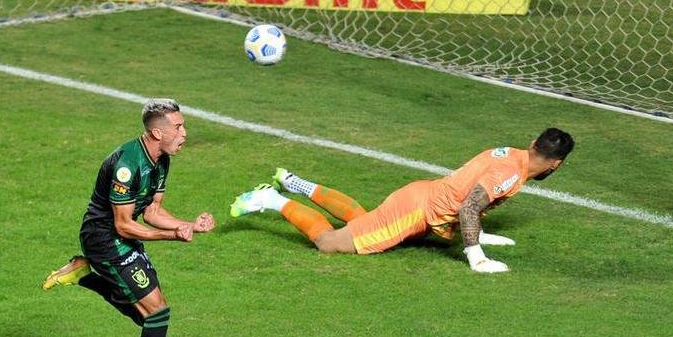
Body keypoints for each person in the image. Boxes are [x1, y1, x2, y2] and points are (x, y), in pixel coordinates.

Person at [42, 98, 214, 337]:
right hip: (104, 239)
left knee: (146, 318)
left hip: (122, 238)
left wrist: (188, 225)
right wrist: (173, 235)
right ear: (156, 132)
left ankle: (85, 274)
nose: (185, 133)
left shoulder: (161, 160)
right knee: (156, 314)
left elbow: (152, 211)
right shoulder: (126, 165)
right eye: (178, 127)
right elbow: (124, 224)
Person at [229, 127, 574, 273]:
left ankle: (293, 181)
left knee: (361, 220)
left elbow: (467, 187)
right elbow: (470, 205)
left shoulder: (510, 154)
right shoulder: (511, 174)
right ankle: (270, 199)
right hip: (416, 211)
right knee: (330, 243)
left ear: (533, 143)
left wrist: (478, 232)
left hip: (421, 195)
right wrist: (476, 256)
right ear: (556, 164)